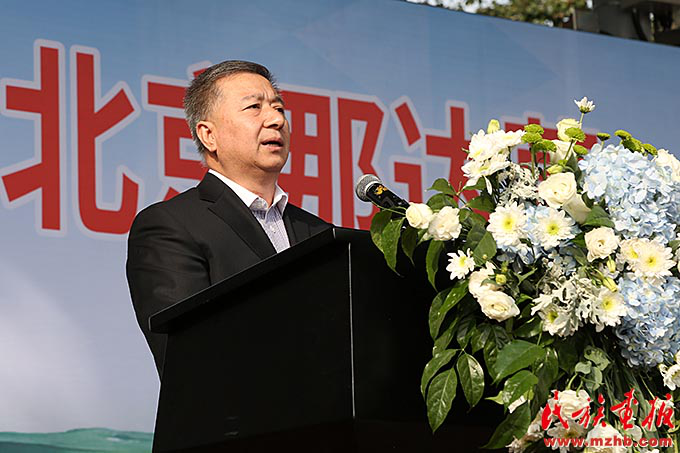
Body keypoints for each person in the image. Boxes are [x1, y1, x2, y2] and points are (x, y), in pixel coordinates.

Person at [126, 61, 331, 375]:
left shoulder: (319, 232)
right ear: (209, 135)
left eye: (279, 108)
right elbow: (186, 353)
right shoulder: (170, 226)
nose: (276, 120)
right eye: (254, 107)